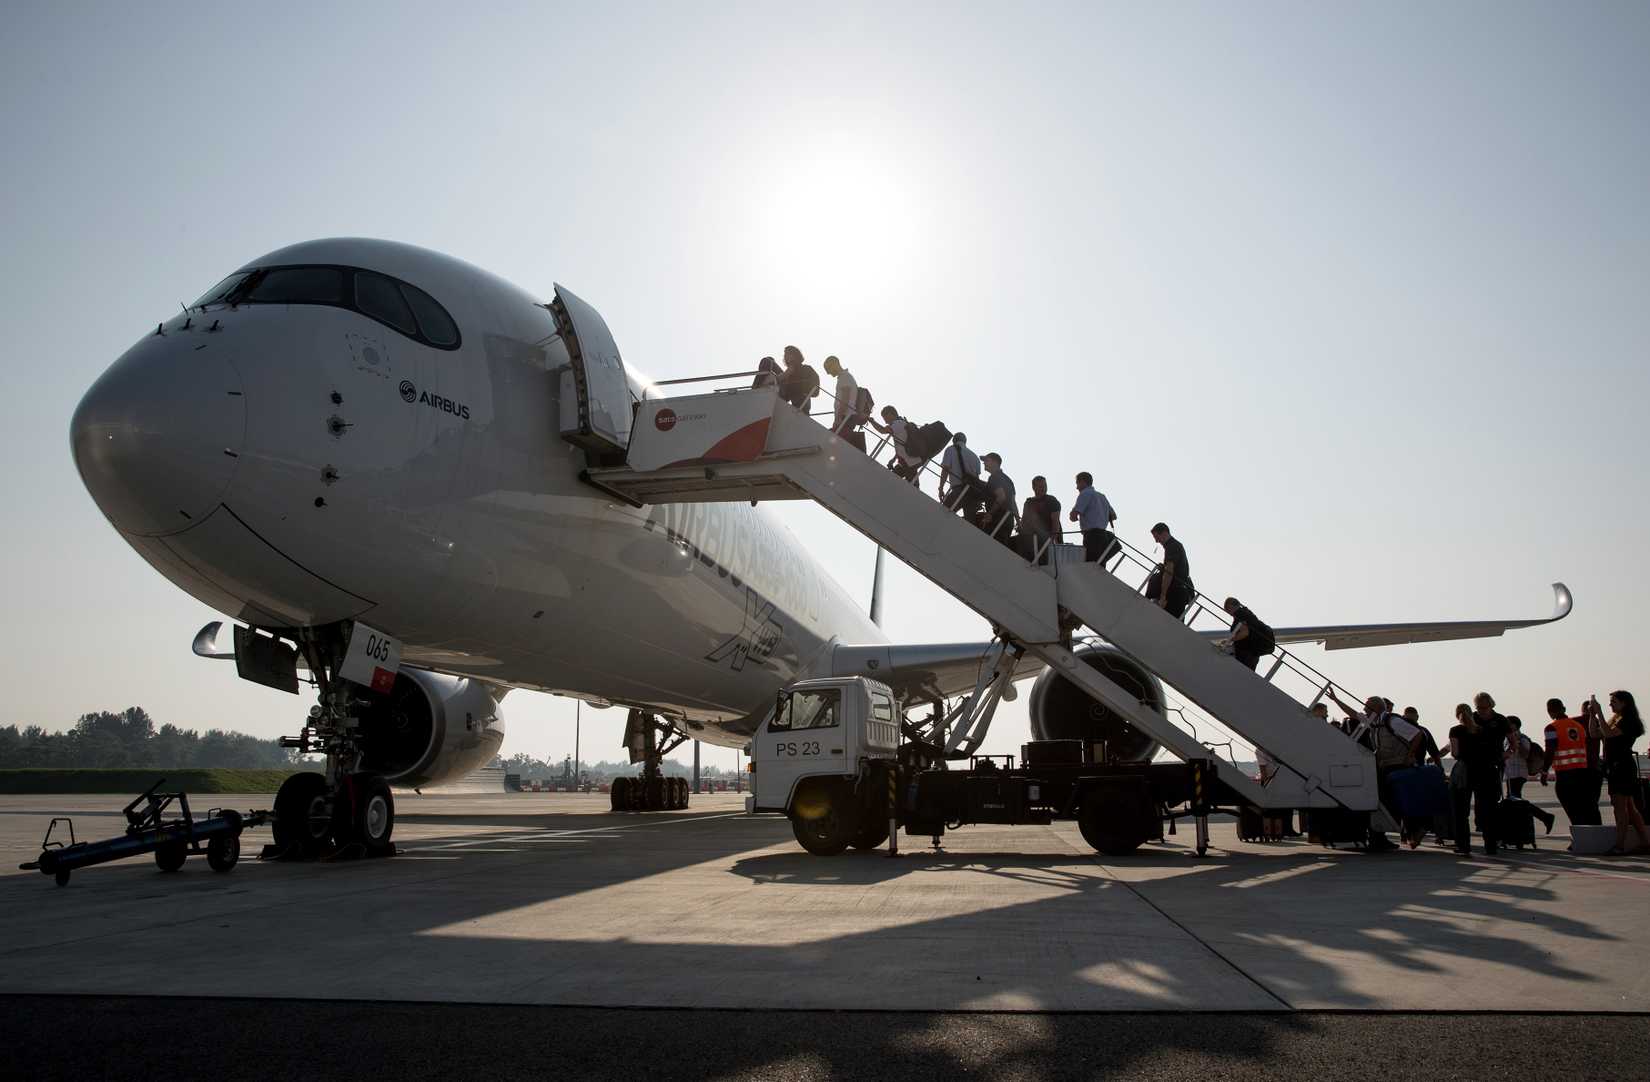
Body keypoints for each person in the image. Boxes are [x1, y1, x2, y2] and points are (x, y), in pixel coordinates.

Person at [1590, 691, 1649, 855]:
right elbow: (1595, 733)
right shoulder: (1616, 720)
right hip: (1616, 767)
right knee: (1629, 807)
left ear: (1624, 703)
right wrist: (1592, 715)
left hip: (1622, 766)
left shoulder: (1628, 721)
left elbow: (1608, 733)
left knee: (1620, 807)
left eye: (1613, 702)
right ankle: (1645, 842)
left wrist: (1599, 712)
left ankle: (1620, 845)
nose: (1610, 705)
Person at [1541, 698, 1602, 828]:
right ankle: (1595, 834)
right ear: (1564, 708)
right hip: (1582, 772)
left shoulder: (1551, 728)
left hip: (1565, 775)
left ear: (1549, 712)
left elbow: (1550, 750)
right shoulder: (1578, 726)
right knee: (1587, 806)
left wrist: (1544, 770)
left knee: (1572, 809)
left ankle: (1581, 836)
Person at [1146, 523, 1193, 618]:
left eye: (1157, 537)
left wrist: (1163, 596)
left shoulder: (1172, 546)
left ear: (1164, 533)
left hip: (1175, 593)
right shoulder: (1175, 546)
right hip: (1179, 592)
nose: (1156, 541)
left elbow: (1169, 572)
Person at [1068, 473, 1117, 563]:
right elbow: (1113, 516)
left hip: (1092, 536)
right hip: (1103, 536)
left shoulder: (1085, 494)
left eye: (1077, 483)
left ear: (1083, 482)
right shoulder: (1102, 496)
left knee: (1090, 565)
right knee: (1099, 565)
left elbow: (1073, 516)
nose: (1077, 487)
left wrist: (1073, 512)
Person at [821, 356, 865, 452]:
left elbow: (844, 400)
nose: (828, 372)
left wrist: (838, 418)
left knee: (836, 445)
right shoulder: (845, 377)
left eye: (828, 368)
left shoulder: (845, 377)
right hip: (847, 417)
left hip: (846, 417)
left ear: (836, 363)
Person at [869, 406, 922, 486]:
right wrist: (894, 459)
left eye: (885, 418)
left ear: (890, 414)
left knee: (909, 486)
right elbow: (903, 446)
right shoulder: (902, 423)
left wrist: (872, 422)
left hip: (909, 463)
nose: (886, 421)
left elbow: (883, 431)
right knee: (908, 484)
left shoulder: (898, 423)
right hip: (908, 462)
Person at [939, 432, 983, 523]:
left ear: (954, 441)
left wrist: (941, 487)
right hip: (972, 494)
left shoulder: (950, 449)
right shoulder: (975, 457)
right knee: (969, 524)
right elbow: (976, 479)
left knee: (941, 514)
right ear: (965, 442)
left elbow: (945, 470)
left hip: (958, 490)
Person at [1222, 597, 1275, 671]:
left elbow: (1245, 633)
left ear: (1231, 607)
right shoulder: (1248, 614)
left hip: (1246, 654)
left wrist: (1229, 640)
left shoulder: (1240, 614)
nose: (1228, 612)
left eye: (1227, 609)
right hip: (1253, 653)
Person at [1019, 476, 1062, 564]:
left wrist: (1053, 540)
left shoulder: (1051, 500)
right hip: (1033, 541)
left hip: (1048, 541)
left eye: (1045, 485)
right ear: (1033, 487)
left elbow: (1055, 521)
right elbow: (1024, 521)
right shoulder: (1029, 502)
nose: (1043, 488)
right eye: (1040, 486)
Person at [979, 453, 1018, 545]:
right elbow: (1013, 502)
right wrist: (1018, 522)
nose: (984, 463)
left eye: (986, 460)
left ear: (995, 462)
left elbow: (1001, 497)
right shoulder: (1008, 479)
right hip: (1008, 521)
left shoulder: (994, 477)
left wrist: (990, 514)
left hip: (997, 520)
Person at [777, 345, 820, 411]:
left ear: (795, 355)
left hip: (801, 404)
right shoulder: (787, 374)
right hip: (783, 399)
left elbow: (816, 390)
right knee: (768, 361)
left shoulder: (806, 369)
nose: (785, 356)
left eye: (788, 353)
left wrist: (801, 389)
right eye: (785, 354)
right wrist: (783, 376)